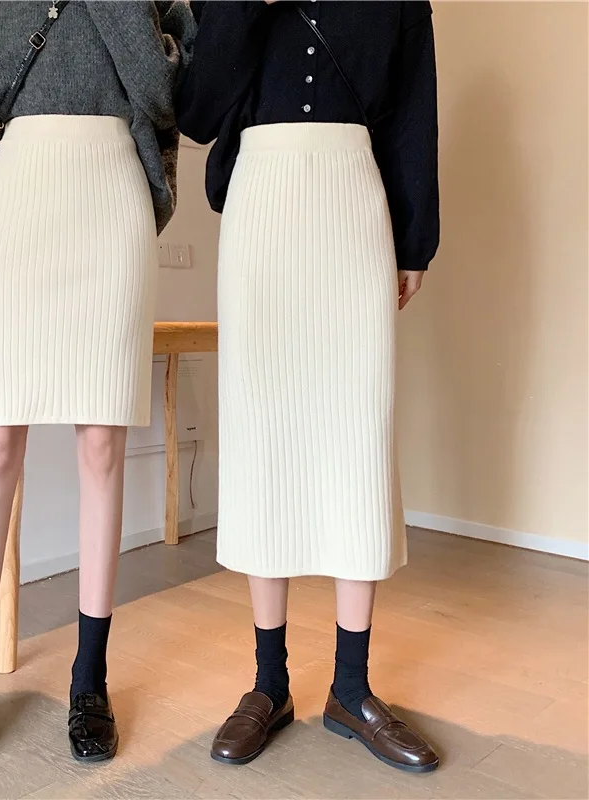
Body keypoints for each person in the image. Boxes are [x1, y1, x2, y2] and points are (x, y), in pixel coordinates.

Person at [0, 0, 194, 775]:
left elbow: (163, 95)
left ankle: (89, 678)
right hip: (19, 195)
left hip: (111, 196)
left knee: (102, 442)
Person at [177, 0, 440, 772]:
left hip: (354, 208)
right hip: (260, 210)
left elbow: (412, 114)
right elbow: (196, 113)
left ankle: (351, 688)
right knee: (264, 435)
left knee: (359, 435)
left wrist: (414, 241)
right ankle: (269, 684)